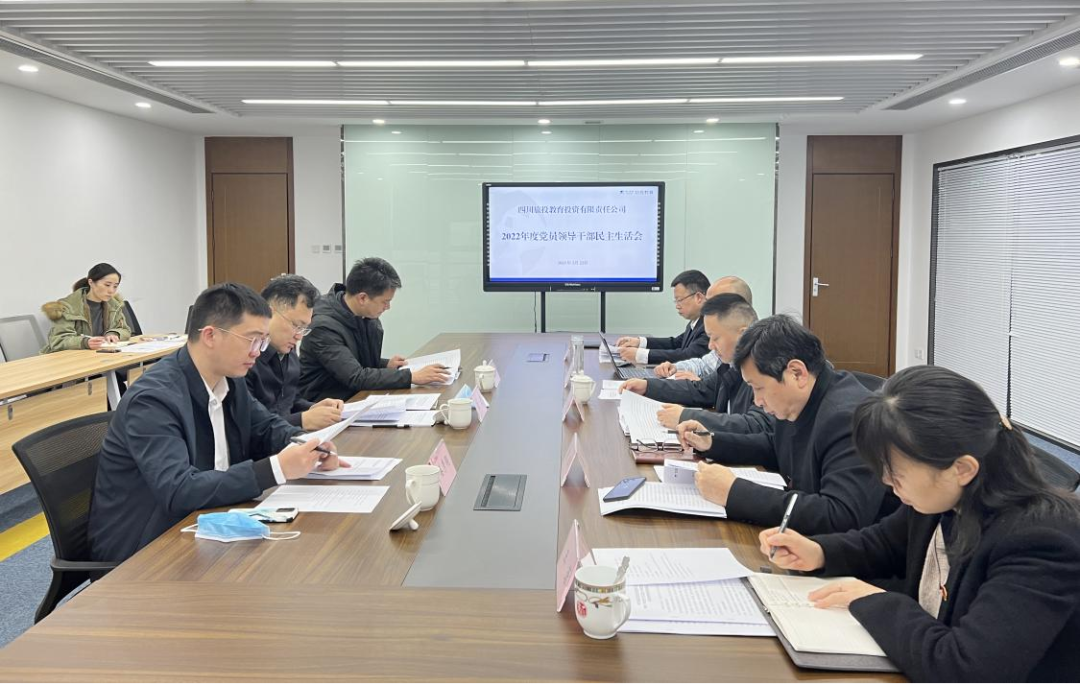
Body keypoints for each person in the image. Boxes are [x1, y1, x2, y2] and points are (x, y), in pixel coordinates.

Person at [760, 365, 1080, 683]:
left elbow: (966, 669)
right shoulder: (943, 498)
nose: (887, 483)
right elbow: (884, 544)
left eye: (896, 473)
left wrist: (872, 601)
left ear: (962, 469)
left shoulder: (1039, 544)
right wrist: (818, 552)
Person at [89, 283, 342, 563]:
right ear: (210, 335)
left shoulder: (230, 380)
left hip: (208, 522)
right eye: (252, 340)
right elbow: (179, 489)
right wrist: (276, 468)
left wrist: (308, 444)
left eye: (263, 341)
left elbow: (266, 428)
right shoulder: (153, 400)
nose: (258, 352)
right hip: (147, 549)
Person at [679, 315, 897, 534]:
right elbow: (776, 447)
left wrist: (734, 493)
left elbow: (839, 514)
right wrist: (712, 442)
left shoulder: (847, 418)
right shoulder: (802, 400)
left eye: (759, 388)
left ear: (796, 373)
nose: (757, 401)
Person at [299, 257, 449, 401]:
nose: (388, 307)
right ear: (362, 298)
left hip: (357, 395)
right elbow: (355, 376)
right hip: (326, 404)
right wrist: (411, 377)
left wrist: (385, 364)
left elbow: (353, 359)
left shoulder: (363, 314)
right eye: (385, 302)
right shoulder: (323, 327)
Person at [247, 275, 344, 430]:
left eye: (303, 329)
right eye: (296, 325)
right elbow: (250, 425)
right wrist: (302, 420)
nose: (299, 336)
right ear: (268, 313)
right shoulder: (246, 359)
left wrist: (312, 408)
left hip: (290, 437)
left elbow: (289, 401)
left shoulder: (289, 354)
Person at [651, 276, 754, 381]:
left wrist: (701, 384)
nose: (705, 307)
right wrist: (675, 368)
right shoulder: (725, 341)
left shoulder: (757, 356)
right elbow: (704, 365)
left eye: (714, 303)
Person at [615, 269, 711, 365]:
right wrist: (639, 342)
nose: (677, 306)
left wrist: (641, 355)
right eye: (676, 301)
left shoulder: (710, 325)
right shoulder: (696, 322)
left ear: (698, 297)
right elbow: (675, 343)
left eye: (680, 300)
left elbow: (688, 356)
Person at [41, 262, 131, 353]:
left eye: (115, 286)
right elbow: (58, 341)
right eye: (107, 285)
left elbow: (124, 329)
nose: (111, 291)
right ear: (91, 282)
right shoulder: (67, 307)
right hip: (68, 358)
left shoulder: (114, 305)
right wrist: (85, 342)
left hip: (98, 355)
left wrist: (114, 334)